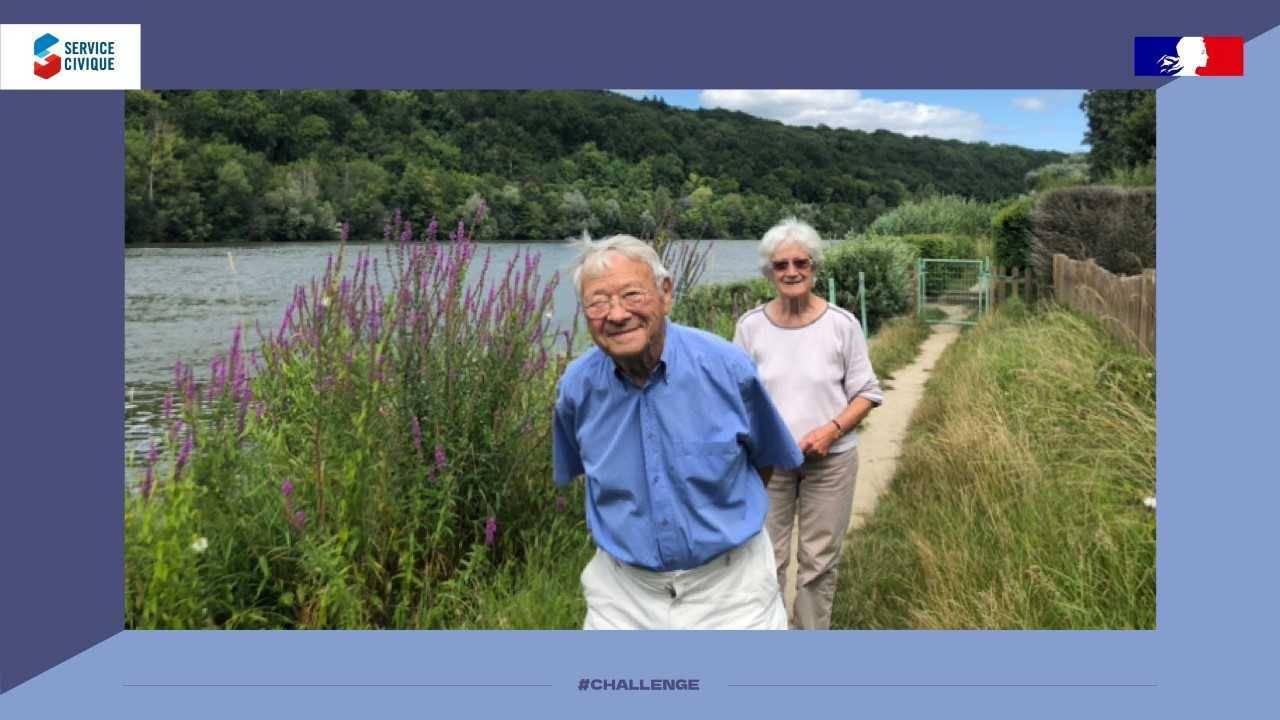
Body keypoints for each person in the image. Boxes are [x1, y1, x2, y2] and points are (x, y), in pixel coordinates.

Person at [553, 234, 804, 630]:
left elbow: (765, 462)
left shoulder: (727, 369)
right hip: (623, 596)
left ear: (666, 293)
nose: (616, 314)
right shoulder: (576, 388)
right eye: (598, 302)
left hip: (732, 590)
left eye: (632, 294)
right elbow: (582, 472)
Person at [732, 218, 883, 629]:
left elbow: (868, 391)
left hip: (831, 460)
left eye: (801, 262)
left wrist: (831, 430)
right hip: (769, 466)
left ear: (814, 267)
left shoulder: (842, 324)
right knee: (767, 557)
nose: (792, 272)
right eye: (781, 265)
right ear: (769, 272)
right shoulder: (750, 327)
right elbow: (738, 396)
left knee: (818, 562)